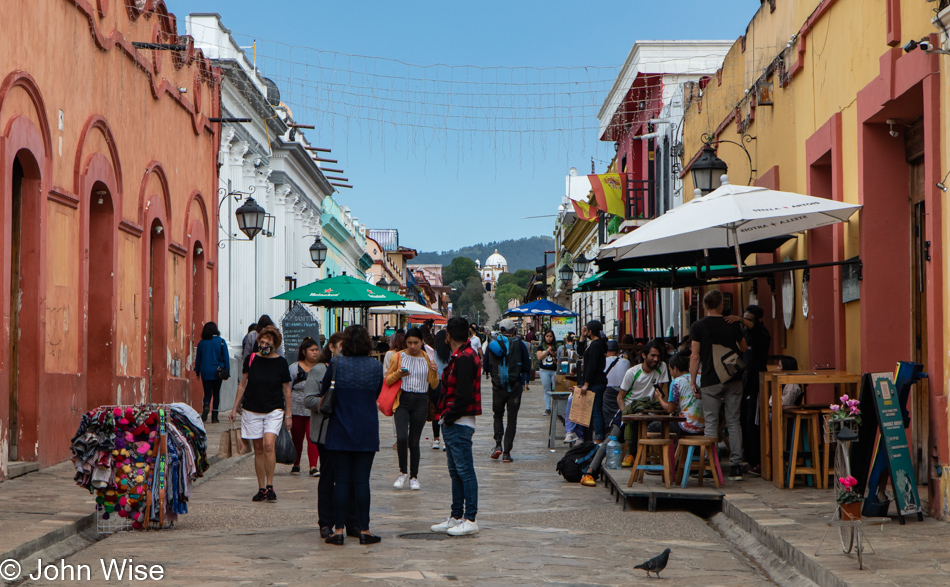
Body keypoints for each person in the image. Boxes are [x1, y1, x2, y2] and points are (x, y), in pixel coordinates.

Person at [320, 325, 384, 545]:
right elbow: (376, 392)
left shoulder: (337, 363)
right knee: (362, 482)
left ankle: (338, 531)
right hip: (366, 430)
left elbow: (324, 391)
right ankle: (364, 530)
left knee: (342, 482)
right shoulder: (376, 366)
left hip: (339, 429)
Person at [303, 333, 358, 539]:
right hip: (326, 431)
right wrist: (328, 403)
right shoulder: (319, 370)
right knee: (328, 477)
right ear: (332, 347)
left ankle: (350, 521)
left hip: (347, 431)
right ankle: (325, 522)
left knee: (350, 479)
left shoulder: (352, 368)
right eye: (341, 346)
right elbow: (308, 399)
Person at [431, 317, 482, 536]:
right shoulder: (462, 355)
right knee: (456, 471)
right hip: (456, 420)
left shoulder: (463, 358)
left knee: (464, 471)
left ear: (449, 336)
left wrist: (448, 416)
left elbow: (463, 395)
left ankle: (470, 518)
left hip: (459, 422)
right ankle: (456, 516)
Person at [229, 325, 291, 502]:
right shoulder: (251, 359)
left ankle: (270, 485)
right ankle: (261, 487)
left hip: (274, 409)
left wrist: (289, 414)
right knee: (258, 449)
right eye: (262, 341)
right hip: (251, 408)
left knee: (269, 445)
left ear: (275, 345)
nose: (264, 345)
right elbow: (243, 384)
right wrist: (234, 408)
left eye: (268, 343)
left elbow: (286, 390)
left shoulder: (281, 362)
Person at [690, 290, 747, 481]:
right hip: (733, 378)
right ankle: (736, 465)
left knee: (711, 423)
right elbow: (744, 347)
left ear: (705, 305)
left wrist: (692, 381)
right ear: (721, 305)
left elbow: (695, 355)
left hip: (710, 379)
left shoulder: (698, 326)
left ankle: (710, 466)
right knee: (733, 421)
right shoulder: (731, 323)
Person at [387, 327, 439, 491]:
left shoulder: (427, 358)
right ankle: (402, 472)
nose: (412, 346)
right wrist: (398, 375)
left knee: (414, 441)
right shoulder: (398, 357)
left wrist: (435, 372)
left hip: (421, 400)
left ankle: (414, 476)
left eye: (416, 342)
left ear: (422, 342)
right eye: (409, 342)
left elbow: (434, 384)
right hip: (402, 400)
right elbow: (388, 380)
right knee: (402, 438)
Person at [727, 305, 771, 474]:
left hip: (757, 385)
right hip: (743, 384)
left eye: (748, 319)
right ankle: (750, 459)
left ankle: (759, 461)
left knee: (754, 423)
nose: (745, 322)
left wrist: (739, 319)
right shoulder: (744, 336)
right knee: (743, 421)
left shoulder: (762, 335)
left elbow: (757, 330)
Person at [617, 338, 670, 465]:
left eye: (658, 356)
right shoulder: (632, 373)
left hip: (651, 409)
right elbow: (620, 397)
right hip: (632, 408)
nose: (656, 359)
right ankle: (632, 454)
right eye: (652, 355)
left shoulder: (662, 367)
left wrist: (662, 400)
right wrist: (625, 413)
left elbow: (664, 393)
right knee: (632, 425)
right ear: (644, 355)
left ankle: (657, 457)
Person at [484, 318, 531, 462]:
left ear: (501, 330)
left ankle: (498, 445)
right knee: (512, 418)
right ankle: (506, 453)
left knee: (498, 415)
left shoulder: (492, 345)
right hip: (514, 386)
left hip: (498, 386)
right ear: (514, 331)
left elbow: (485, 366)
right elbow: (527, 366)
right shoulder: (520, 345)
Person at [650, 351, 704, 437]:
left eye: (670, 370)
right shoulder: (700, 377)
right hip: (704, 427)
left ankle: (663, 450)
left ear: (675, 369)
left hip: (686, 427)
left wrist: (659, 398)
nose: (671, 373)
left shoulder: (676, 382)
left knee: (651, 427)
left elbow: (670, 409)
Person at [288, 337, 321, 476]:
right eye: (312, 350)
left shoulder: (321, 367)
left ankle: (313, 466)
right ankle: (296, 463)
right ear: (304, 352)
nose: (315, 353)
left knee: (312, 437)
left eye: (316, 350)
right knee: (297, 437)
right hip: (296, 407)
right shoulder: (294, 367)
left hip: (314, 408)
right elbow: (287, 389)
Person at [575, 321, 608, 442]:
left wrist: (586, 383)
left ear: (591, 331)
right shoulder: (596, 344)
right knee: (594, 411)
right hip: (597, 381)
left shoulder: (596, 345)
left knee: (596, 411)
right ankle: (594, 437)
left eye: (587, 330)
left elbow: (592, 366)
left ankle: (599, 437)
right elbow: (581, 352)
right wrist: (582, 337)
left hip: (595, 383)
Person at [194, 321, 229, 423]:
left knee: (207, 392)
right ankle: (214, 416)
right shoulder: (221, 342)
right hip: (217, 371)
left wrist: (197, 372)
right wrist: (227, 371)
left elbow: (198, 359)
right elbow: (226, 358)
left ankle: (206, 405)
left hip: (205, 371)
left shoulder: (201, 343)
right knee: (216, 393)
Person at [431, 329, 452, 451]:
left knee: (436, 412)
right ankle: (445, 441)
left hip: (436, 384)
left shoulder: (433, 353)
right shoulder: (451, 353)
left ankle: (436, 439)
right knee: (446, 411)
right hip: (448, 384)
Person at [536, 330, 559, 415]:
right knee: (547, 389)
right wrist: (547, 351)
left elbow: (557, 360)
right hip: (544, 370)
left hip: (554, 370)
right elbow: (539, 357)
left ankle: (556, 408)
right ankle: (548, 408)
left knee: (556, 389)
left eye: (550, 336)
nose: (549, 338)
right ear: (544, 337)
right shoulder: (541, 346)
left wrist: (554, 354)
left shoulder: (556, 346)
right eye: (547, 336)